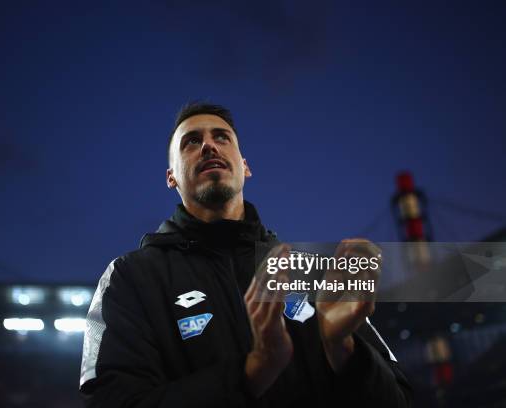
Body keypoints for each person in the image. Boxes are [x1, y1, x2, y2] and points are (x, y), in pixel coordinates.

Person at [79, 102, 412, 407]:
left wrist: (343, 348)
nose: (209, 145)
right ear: (171, 177)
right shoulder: (129, 278)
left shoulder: (313, 273)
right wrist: (251, 374)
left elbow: (399, 400)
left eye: (222, 137)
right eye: (191, 142)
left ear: (245, 166)